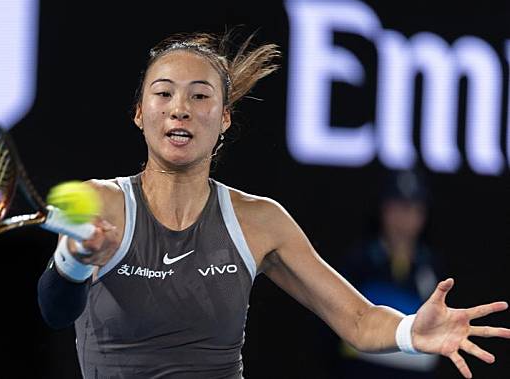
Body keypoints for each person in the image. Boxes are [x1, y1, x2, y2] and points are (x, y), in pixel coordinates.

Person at [37, 30, 509, 379]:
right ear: (141, 113)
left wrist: (410, 332)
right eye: (163, 93)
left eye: (199, 96)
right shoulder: (102, 204)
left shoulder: (260, 221)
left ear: (223, 119)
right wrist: (74, 261)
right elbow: (55, 311)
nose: (179, 107)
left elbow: (360, 320)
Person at [336, 168, 443, 378]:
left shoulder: (432, 267)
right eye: (397, 208)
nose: (404, 218)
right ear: (383, 209)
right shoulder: (359, 262)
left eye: (413, 209)